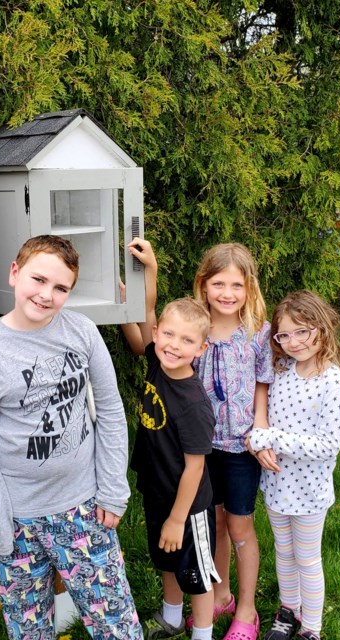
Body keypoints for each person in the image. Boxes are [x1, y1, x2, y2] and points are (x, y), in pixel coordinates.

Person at [0, 235, 141, 640]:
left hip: (83, 508)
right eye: (38, 280)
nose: (46, 295)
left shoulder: (83, 332)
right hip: (16, 517)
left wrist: (112, 489)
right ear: (14, 273)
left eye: (61, 288)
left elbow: (110, 412)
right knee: (29, 628)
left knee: (116, 624)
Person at [121, 239, 222, 640]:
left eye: (185, 341)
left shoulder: (195, 403)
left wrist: (179, 518)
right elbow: (144, 313)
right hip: (157, 489)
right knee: (166, 559)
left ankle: (202, 634)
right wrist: (151, 272)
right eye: (168, 334)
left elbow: (196, 466)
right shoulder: (157, 362)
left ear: (201, 348)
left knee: (195, 573)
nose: (173, 345)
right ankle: (171, 619)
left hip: (189, 506)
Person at [248, 290, 340, 640]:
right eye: (285, 335)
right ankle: (288, 611)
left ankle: (311, 628)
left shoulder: (333, 383)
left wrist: (271, 438)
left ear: (322, 327)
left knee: (307, 559)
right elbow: (263, 416)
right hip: (277, 484)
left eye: (303, 331)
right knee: (284, 551)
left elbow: (326, 446)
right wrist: (259, 442)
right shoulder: (281, 370)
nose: (294, 342)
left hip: (309, 491)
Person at [189, 243, 274, 640]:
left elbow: (262, 383)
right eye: (218, 283)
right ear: (203, 285)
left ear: (249, 288)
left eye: (236, 285)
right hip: (203, 447)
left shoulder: (257, 332)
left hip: (241, 446)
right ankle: (219, 593)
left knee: (240, 526)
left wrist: (258, 429)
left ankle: (246, 609)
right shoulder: (196, 327)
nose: (227, 293)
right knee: (215, 523)